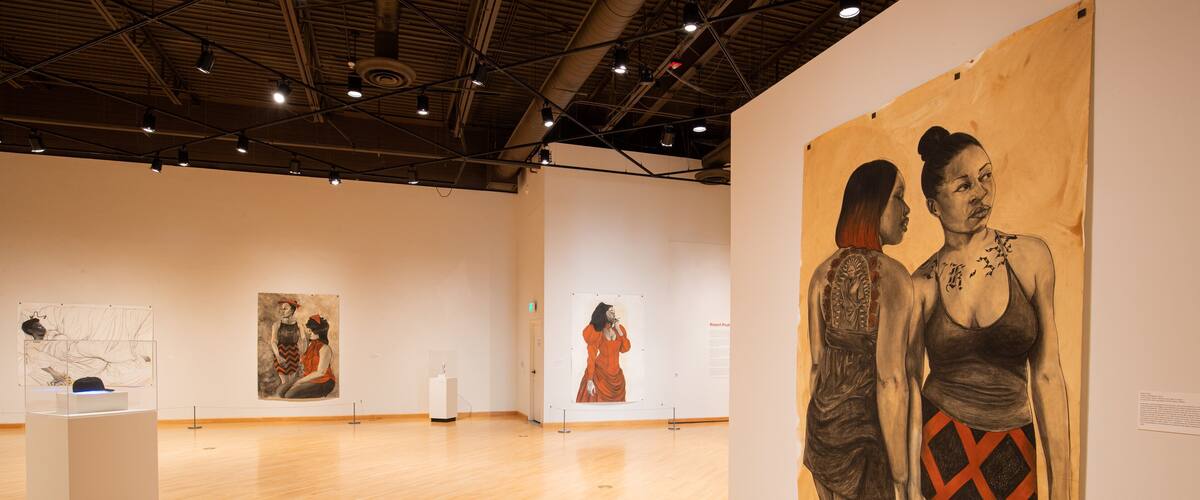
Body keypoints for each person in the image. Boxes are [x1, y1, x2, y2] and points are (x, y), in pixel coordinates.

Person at [906, 126, 1070, 500]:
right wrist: (910, 488)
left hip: (1013, 450)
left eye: (986, 176)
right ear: (934, 206)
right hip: (940, 447)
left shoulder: (1030, 258)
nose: (981, 193)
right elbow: (910, 390)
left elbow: (1047, 375)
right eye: (964, 186)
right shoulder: (921, 285)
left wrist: (1062, 487)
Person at [804, 160, 912, 500]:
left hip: (822, 439)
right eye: (898, 197)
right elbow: (890, 381)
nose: (907, 209)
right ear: (872, 204)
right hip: (867, 448)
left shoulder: (820, 275)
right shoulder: (894, 278)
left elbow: (817, 365)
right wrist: (901, 473)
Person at [575, 303, 631, 403]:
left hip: (617, 378)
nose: (614, 314)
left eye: (614, 312)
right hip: (599, 376)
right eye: (611, 312)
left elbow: (625, 349)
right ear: (603, 314)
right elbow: (591, 356)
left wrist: (618, 329)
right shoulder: (597, 331)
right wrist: (590, 379)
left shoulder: (619, 329)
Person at [285, 314, 336, 399]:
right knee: (280, 391)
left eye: (312, 331)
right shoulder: (310, 345)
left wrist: (299, 382)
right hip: (308, 378)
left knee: (289, 395)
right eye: (309, 330)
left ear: (320, 332)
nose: (309, 332)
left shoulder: (325, 348)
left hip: (323, 381)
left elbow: (321, 372)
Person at [270, 299, 305, 397]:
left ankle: (289, 398)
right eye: (281, 309)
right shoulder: (276, 325)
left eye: (285, 309)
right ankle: (284, 398)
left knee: (292, 382)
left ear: (292, 310)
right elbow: (273, 341)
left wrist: (303, 355)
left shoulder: (299, 325)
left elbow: (304, 340)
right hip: (280, 353)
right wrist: (278, 356)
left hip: (294, 354)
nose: (282, 311)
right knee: (285, 383)